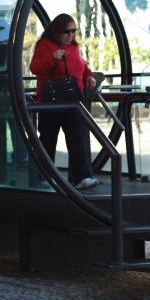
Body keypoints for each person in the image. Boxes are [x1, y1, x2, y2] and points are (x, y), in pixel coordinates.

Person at [29, 14, 98, 190]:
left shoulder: (74, 47)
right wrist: (53, 57)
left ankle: (82, 176)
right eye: (67, 31)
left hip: (72, 100)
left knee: (77, 137)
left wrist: (88, 74)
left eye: (74, 31)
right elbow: (34, 68)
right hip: (51, 101)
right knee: (48, 137)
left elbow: (81, 64)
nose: (71, 35)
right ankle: (45, 175)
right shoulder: (45, 45)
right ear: (57, 31)